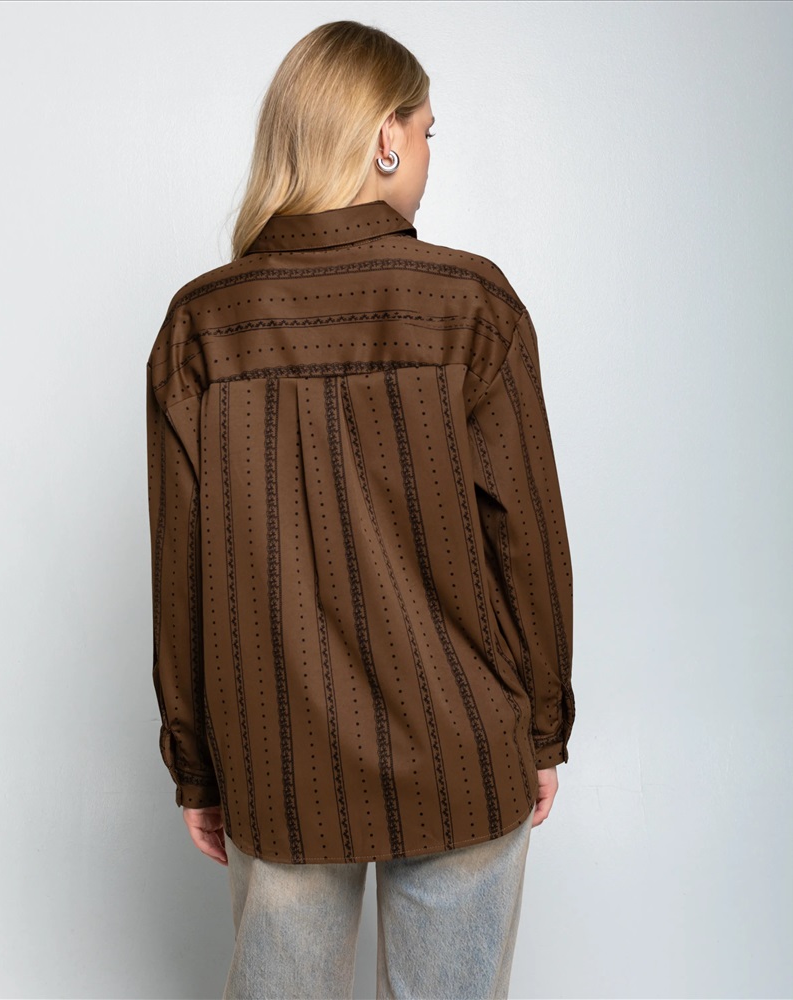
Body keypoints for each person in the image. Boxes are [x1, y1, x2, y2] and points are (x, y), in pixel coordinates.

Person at [146, 19, 576, 1000]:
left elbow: (181, 570)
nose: (426, 155)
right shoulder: (471, 304)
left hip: (275, 751)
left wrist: (197, 763)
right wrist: (542, 728)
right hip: (464, 740)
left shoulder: (203, 325)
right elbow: (528, 545)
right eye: (426, 132)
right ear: (386, 137)